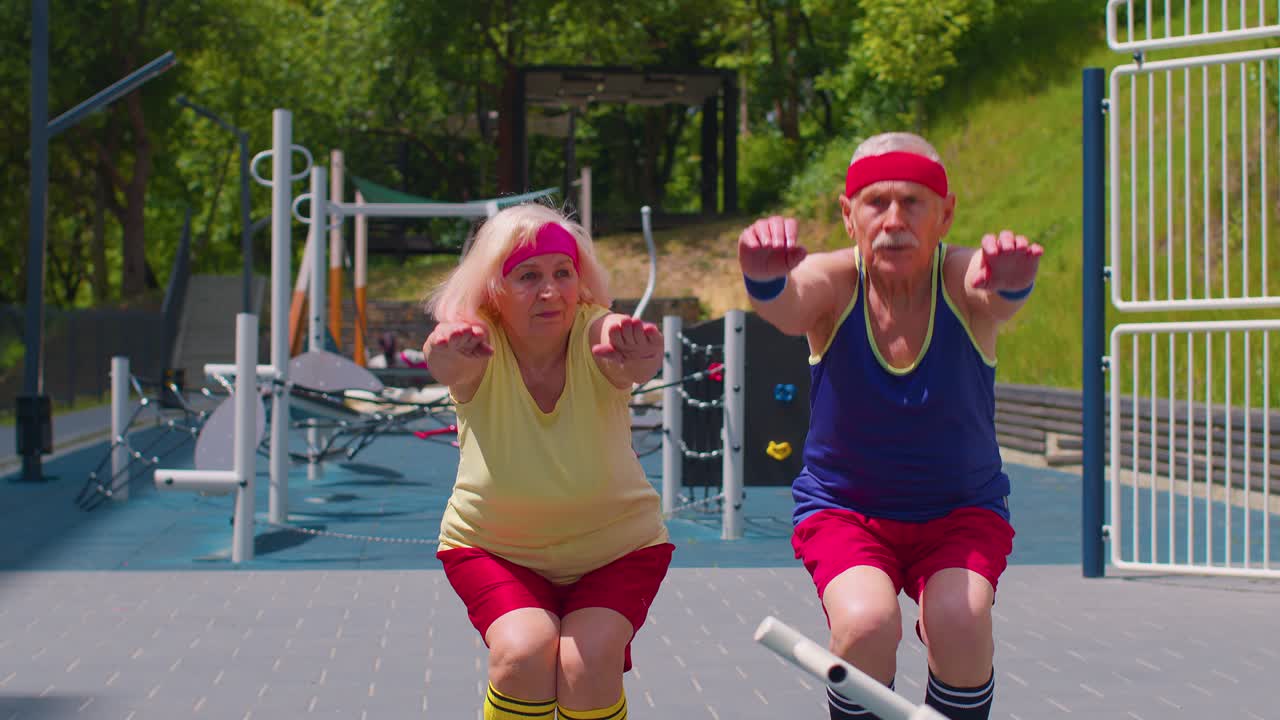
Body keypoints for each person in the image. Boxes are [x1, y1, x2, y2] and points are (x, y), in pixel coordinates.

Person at [737, 132, 1042, 720]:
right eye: (877, 202)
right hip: (848, 511)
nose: (895, 220)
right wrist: (763, 277)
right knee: (867, 623)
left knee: (960, 619)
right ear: (848, 217)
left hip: (960, 511)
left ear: (945, 214)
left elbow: (995, 296)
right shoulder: (835, 282)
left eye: (914, 202)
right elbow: (788, 305)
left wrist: (1010, 282)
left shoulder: (958, 279)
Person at [424, 203, 672, 720]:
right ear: (493, 288)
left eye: (563, 273)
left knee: (588, 663)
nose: (551, 291)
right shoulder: (478, 345)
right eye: (528, 276)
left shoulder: (593, 330)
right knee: (523, 653)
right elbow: (441, 358)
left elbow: (621, 345)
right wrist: (444, 351)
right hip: (494, 548)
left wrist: (639, 354)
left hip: (617, 548)